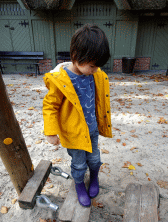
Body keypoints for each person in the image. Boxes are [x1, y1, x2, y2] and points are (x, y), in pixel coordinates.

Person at [43, 24, 112, 207]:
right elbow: (49, 106)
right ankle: (80, 185)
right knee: (79, 164)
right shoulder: (61, 80)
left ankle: (94, 178)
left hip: (92, 129)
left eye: (98, 66)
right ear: (75, 56)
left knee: (95, 159)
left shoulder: (95, 74)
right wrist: (51, 131)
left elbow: (100, 98)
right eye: (92, 66)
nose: (96, 69)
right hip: (73, 134)